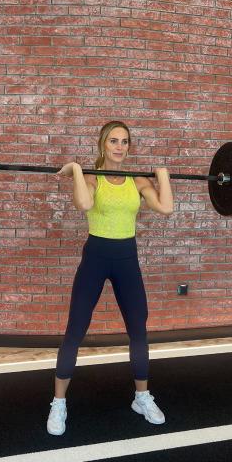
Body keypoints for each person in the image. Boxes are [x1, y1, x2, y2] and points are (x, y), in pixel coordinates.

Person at [46, 121, 174, 436]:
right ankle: (58, 403)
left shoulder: (137, 179)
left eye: (125, 142)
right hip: (96, 258)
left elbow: (166, 208)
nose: (119, 147)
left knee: (138, 329)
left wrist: (164, 177)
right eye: (114, 141)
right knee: (75, 329)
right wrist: (77, 169)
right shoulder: (91, 176)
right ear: (104, 144)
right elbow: (85, 204)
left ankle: (142, 397)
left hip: (127, 259)